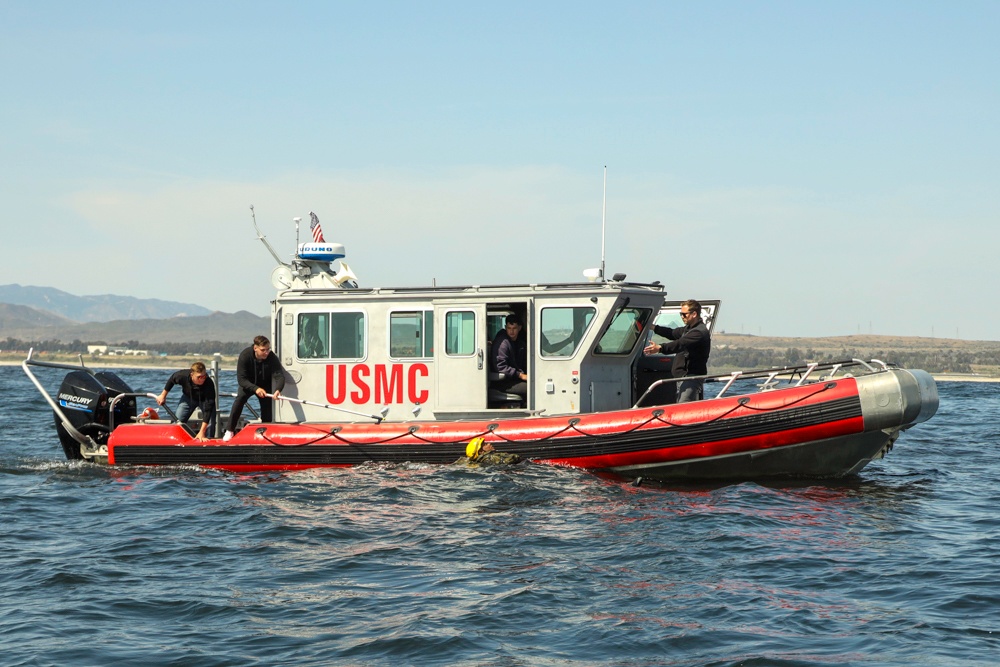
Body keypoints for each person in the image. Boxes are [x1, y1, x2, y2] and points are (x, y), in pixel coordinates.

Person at [643, 299, 711, 403]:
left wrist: (660, 348)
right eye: (681, 314)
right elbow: (672, 333)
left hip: (691, 377)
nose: (682, 317)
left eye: (684, 314)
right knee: (681, 404)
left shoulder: (699, 332)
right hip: (683, 377)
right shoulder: (687, 329)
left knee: (683, 406)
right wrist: (652, 327)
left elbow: (680, 344)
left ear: (694, 314)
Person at [223, 335, 286, 441]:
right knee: (239, 400)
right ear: (255, 348)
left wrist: (278, 389)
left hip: (265, 385)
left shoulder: (271, 357)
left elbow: (279, 376)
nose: (266, 352)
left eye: (268, 349)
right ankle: (229, 430)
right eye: (263, 350)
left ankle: (266, 433)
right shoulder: (245, 355)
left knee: (267, 408)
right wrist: (255, 388)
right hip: (248, 384)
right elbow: (241, 379)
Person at [156, 361, 216, 442]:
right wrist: (163, 395)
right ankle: (176, 440)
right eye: (199, 377)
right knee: (179, 420)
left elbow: (208, 409)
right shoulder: (182, 375)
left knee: (211, 421)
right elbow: (172, 379)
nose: (202, 379)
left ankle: (208, 439)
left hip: (204, 400)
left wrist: (202, 432)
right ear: (192, 375)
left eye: (204, 376)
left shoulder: (209, 383)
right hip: (188, 398)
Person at [490, 313, 528, 399]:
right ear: (505, 327)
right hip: (502, 383)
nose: (511, 331)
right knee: (530, 388)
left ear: (519, 328)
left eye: (514, 328)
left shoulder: (519, 343)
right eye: (509, 328)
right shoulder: (503, 343)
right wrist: (521, 375)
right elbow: (500, 367)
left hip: (511, 379)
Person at [456, 437, 521, 466]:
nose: (489, 444)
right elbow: (511, 459)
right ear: (481, 451)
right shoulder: (489, 457)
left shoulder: (475, 461)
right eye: (485, 444)